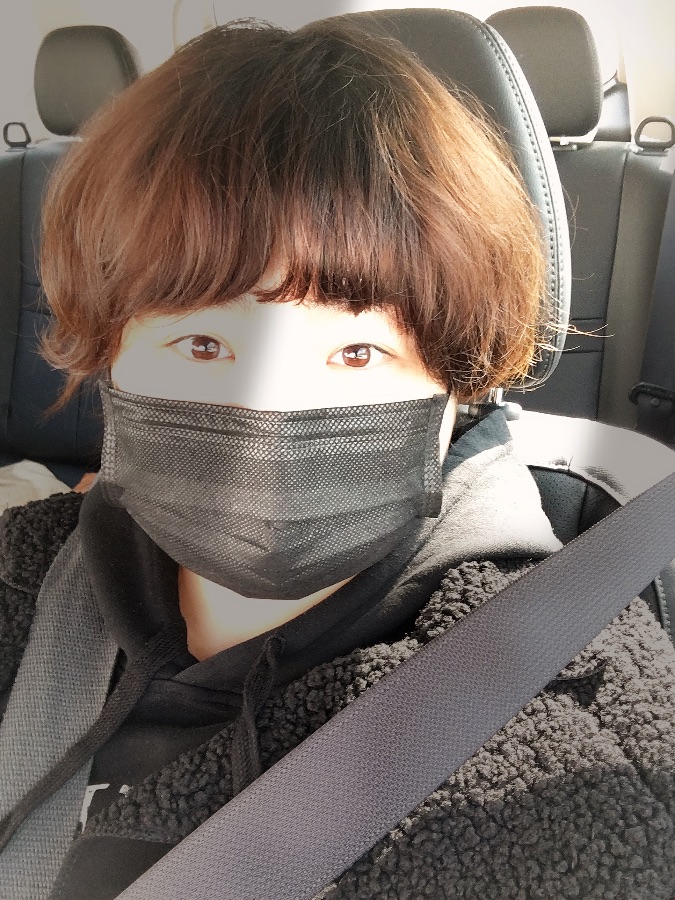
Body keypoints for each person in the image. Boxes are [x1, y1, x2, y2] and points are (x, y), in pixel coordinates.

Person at [0, 16, 673, 900]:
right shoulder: (25, 585)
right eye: (201, 344)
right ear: (109, 357)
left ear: (455, 382)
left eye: (357, 352)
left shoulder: (577, 752)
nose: (268, 408)